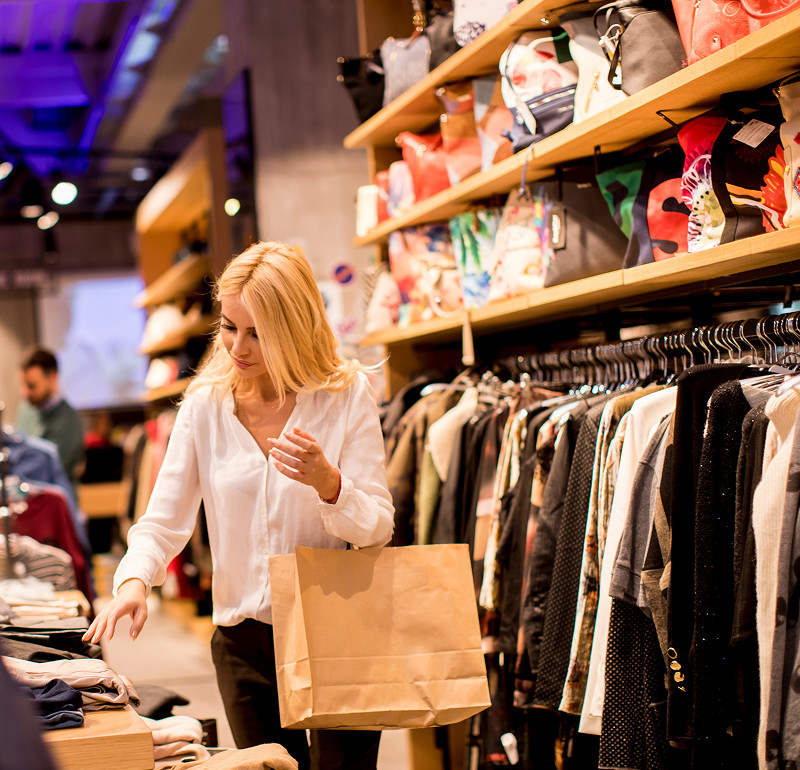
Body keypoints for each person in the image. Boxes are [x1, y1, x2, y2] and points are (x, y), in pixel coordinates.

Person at [83, 241, 395, 770]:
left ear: (295, 327)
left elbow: (378, 527)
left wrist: (329, 483)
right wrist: (134, 582)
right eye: (229, 327)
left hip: (335, 628)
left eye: (257, 333)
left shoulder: (345, 396)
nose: (238, 346)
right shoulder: (205, 406)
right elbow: (162, 521)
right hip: (243, 641)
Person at [17, 347, 86, 496]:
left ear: (52, 378)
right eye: (23, 385)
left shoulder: (69, 422)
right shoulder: (27, 410)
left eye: (32, 386)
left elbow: (43, 471)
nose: (25, 392)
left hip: (56, 504)